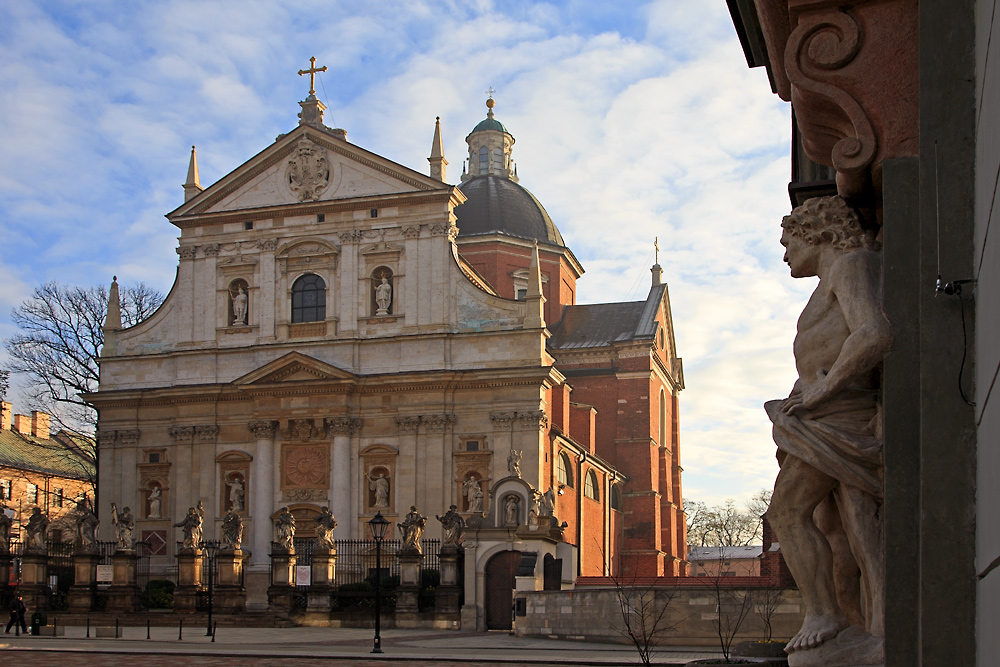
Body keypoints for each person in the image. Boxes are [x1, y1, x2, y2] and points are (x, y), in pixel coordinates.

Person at [764, 196, 891, 656]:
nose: (785, 254)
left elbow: (873, 333)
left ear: (815, 233)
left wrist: (823, 389)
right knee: (843, 528)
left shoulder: (851, 266)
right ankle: (863, 622)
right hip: (823, 415)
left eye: (788, 242)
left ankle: (826, 612)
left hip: (841, 416)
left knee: (787, 511)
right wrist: (804, 392)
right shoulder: (835, 277)